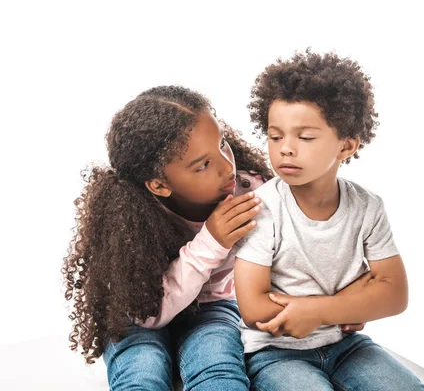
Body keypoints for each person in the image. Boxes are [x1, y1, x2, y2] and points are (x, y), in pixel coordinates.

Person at [235, 50, 424, 390]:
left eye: (305, 137)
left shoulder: (367, 207)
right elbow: (254, 307)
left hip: (345, 345)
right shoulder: (262, 208)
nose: (285, 149)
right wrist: (353, 300)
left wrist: (317, 311)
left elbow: (394, 293)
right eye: (275, 136)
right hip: (275, 352)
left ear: (346, 145)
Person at [62, 85, 271, 390]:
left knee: (216, 363)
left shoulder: (251, 194)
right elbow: (147, 314)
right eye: (203, 165)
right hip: (140, 311)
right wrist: (211, 241)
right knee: (141, 369)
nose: (228, 167)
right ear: (159, 186)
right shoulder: (128, 219)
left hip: (213, 308)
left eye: (222, 144)